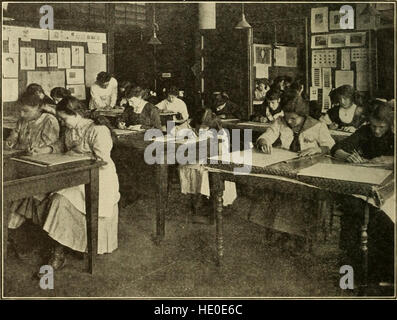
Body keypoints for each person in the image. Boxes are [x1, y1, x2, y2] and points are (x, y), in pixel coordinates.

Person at [31, 96, 120, 269]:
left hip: (98, 178)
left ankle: (58, 253)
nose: (62, 123)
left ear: (76, 113)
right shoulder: (70, 130)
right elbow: (60, 145)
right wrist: (45, 149)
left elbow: (102, 161)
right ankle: (70, 242)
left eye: (64, 119)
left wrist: (76, 162)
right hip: (74, 175)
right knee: (39, 195)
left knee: (59, 200)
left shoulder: (98, 130)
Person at [256, 93, 335, 249]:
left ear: (303, 116)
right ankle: (282, 233)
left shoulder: (317, 126)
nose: (290, 122)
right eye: (287, 118)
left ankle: (302, 238)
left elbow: (331, 146)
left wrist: (318, 149)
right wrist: (263, 142)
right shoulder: (280, 122)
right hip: (287, 168)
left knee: (302, 198)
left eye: (294, 119)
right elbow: (267, 135)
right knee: (278, 193)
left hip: (310, 170)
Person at [331, 101, 394, 283]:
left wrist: (388, 159)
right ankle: (353, 273)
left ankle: (380, 272)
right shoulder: (365, 131)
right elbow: (337, 148)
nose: (376, 131)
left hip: (388, 188)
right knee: (351, 215)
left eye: (381, 127)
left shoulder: (393, 133)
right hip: (365, 185)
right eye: (373, 126)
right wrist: (347, 156)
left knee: (382, 220)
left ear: (389, 124)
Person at [6, 92, 60, 254]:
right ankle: (11, 233)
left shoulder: (50, 121)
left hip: (42, 168)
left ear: (38, 108)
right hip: (22, 164)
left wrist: (30, 149)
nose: (22, 115)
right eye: (20, 111)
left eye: (26, 111)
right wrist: (11, 140)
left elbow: (49, 149)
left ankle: (14, 233)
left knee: (17, 192)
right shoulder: (23, 120)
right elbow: (14, 137)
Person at [175, 108, 237, 221]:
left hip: (217, 160)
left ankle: (209, 208)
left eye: (204, 127)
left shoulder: (219, 133)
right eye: (198, 127)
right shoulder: (195, 129)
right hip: (201, 157)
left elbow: (217, 151)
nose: (200, 130)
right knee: (185, 166)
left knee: (202, 170)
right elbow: (183, 134)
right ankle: (197, 203)